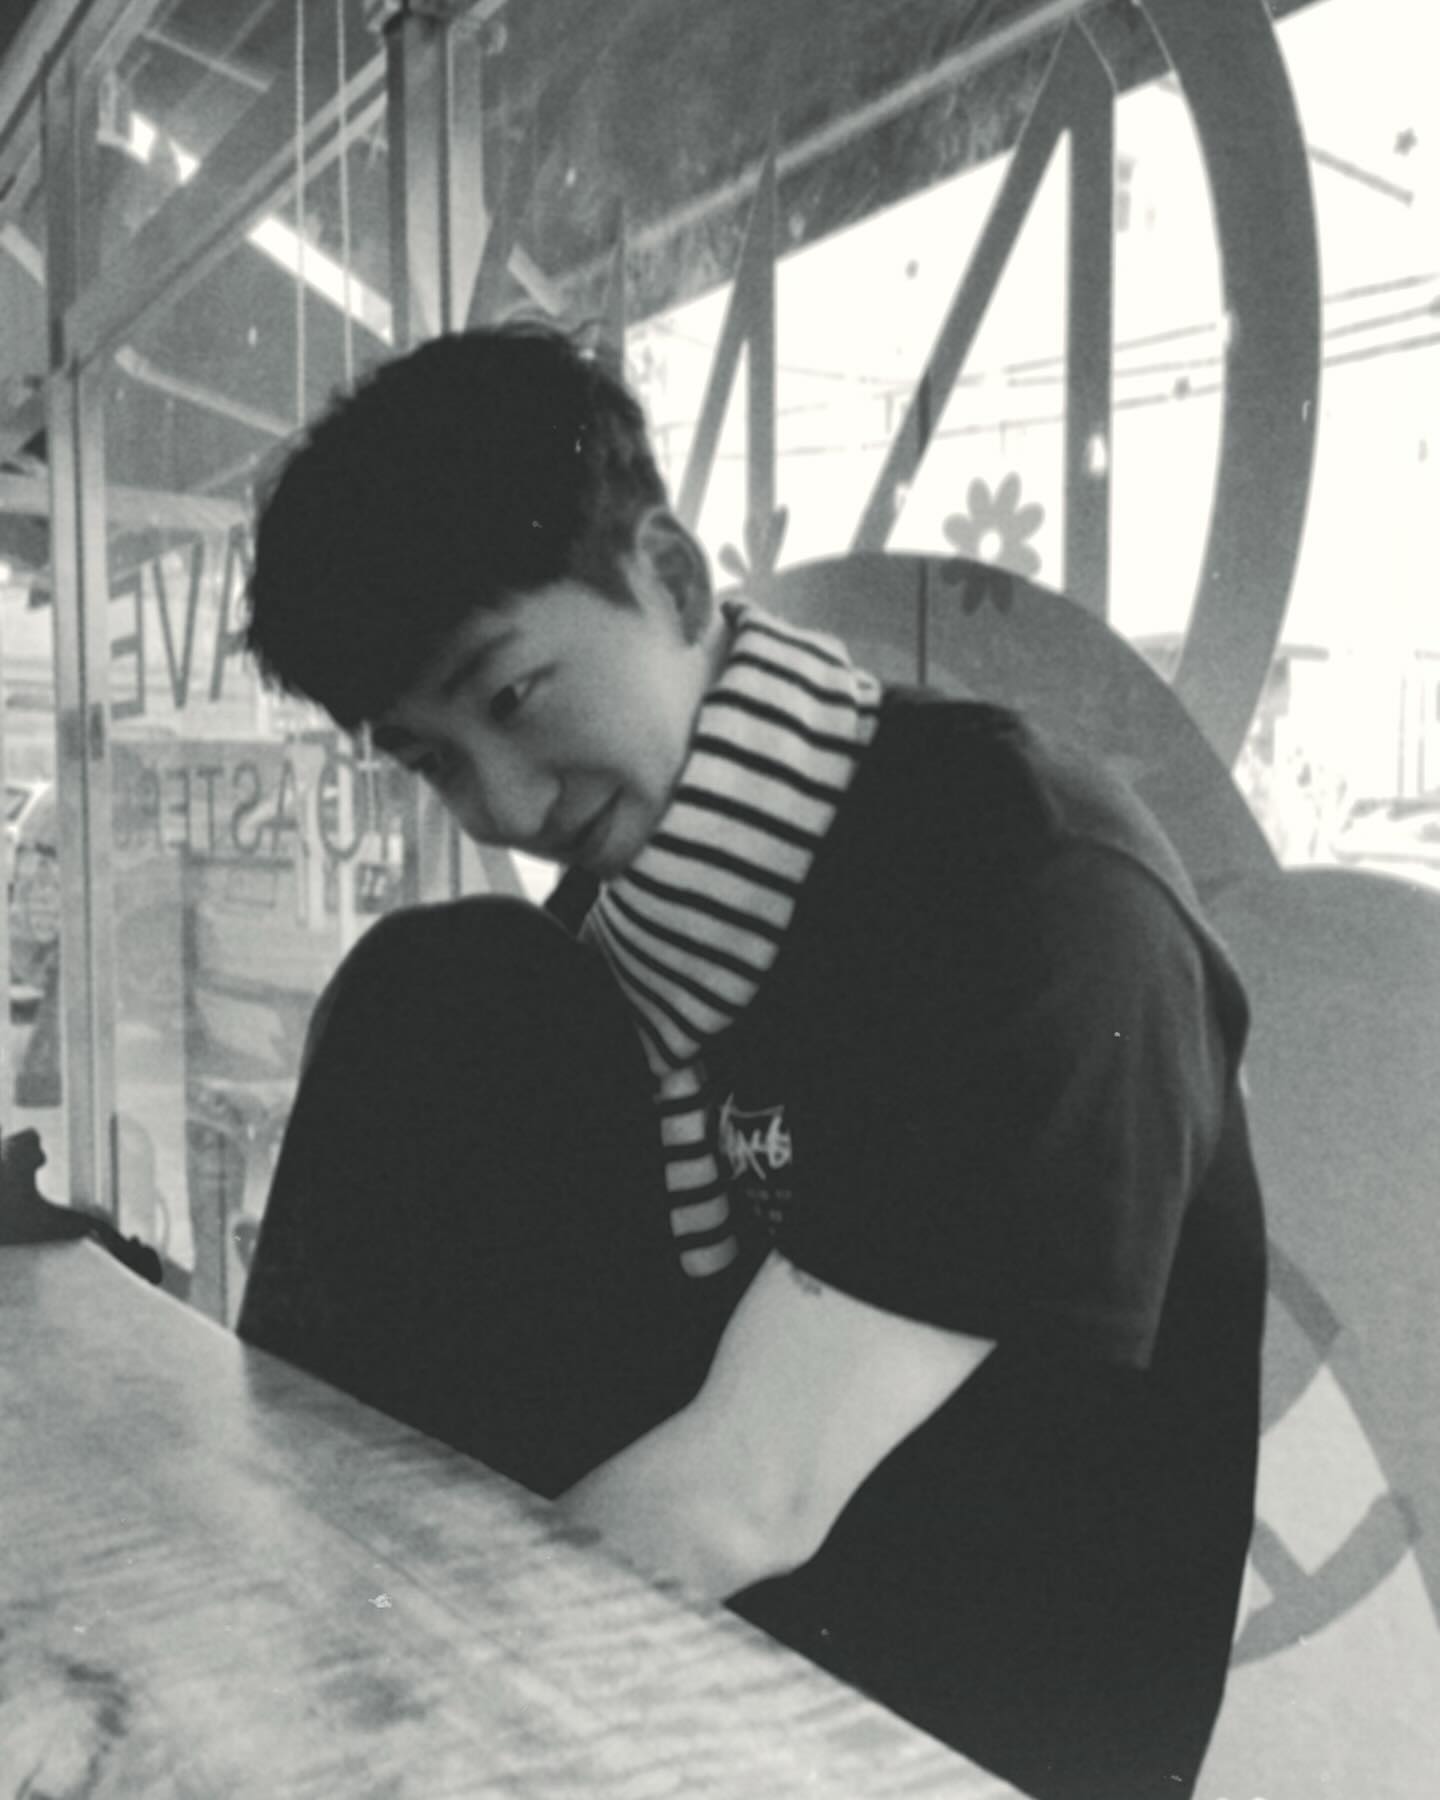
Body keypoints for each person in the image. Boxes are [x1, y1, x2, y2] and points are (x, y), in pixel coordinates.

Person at [239, 321, 1267, 1800]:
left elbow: (749, 1495)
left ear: (670, 577)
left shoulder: (1031, 892)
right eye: (432, 759)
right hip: (709, 1633)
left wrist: (358, 1740)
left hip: (978, 1722)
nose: (504, 806)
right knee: (441, 987)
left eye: (513, 698)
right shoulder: (626, 924)